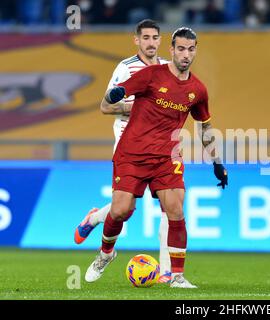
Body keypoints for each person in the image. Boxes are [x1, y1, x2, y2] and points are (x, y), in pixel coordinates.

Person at [84, 27, 228, 289]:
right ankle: (105, 254)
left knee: (175, 210)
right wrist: (115, 94)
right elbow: (113, 96)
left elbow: (205, 128)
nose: (186, 54)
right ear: (171, 50)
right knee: (120, 210)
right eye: (181, 49)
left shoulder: (198, 89)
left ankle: (177, 277)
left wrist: (217, 161)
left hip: (166, 156)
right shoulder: (150, 75)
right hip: (132, 153)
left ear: (195, 51)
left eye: (191, 49)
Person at [74, 19, 173, 282]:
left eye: (155, 38)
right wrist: (136, 108)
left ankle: (166, 271)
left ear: (160, 41)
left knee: (170, 204)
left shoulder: (167, 69)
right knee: (123, 210)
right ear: (136, 40)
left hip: (161, 144)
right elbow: (106, 106)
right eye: (146, 38)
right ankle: (98, 224)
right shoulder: (126, 68)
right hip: (129, 143)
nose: (151, 42)